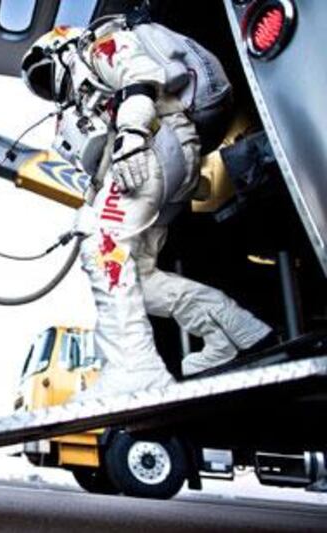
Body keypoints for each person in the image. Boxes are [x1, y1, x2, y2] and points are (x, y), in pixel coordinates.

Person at [20, 14, 272, 396]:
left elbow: (141, 76)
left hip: (155, 144)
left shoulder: (99, 48)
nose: (46, 87)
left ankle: (133, 369)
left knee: (105, 249)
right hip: (148, 163)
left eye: (43, 74)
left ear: (61, 49)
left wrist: (133, 134)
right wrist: (88, 208)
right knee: (138, 279)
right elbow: (101, 164)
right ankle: (239, 333)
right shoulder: (87, 103)